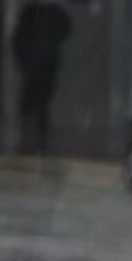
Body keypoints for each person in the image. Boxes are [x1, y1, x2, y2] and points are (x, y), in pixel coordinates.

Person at [12, 0, 71, 155]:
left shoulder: (48, 13)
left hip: (42, 66)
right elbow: (18, 39)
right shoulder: (33, 13)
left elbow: (18, 39)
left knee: (37, 105)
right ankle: (34, 142)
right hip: (38, 66)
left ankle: (36, 142)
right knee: (34, 104)